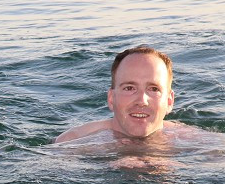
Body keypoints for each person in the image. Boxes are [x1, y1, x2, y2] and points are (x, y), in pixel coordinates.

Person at [54, 45, 203, 144]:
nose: (142, 100)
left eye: (153, 89)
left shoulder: (199, 142)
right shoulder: (73, 143)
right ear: (111, 99)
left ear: (169, 101)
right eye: (129, 88)